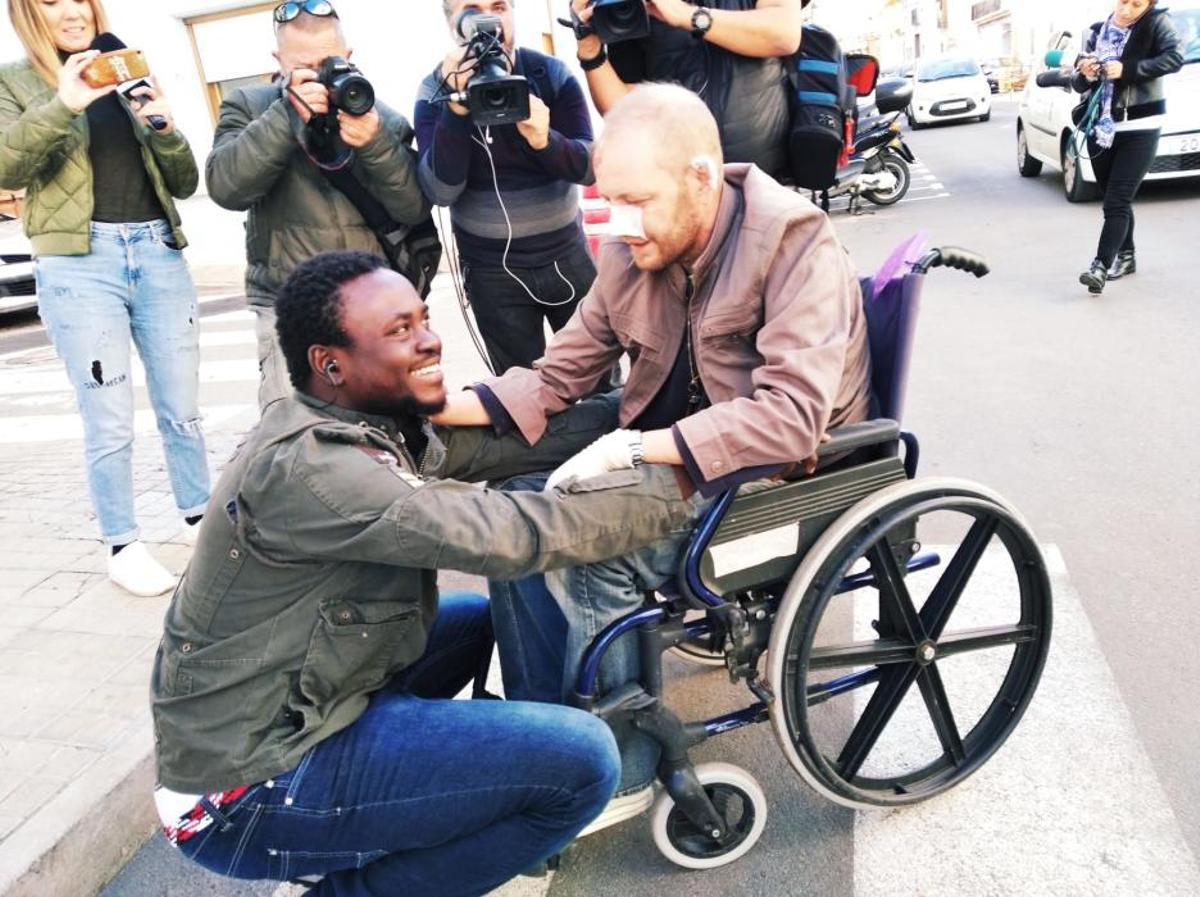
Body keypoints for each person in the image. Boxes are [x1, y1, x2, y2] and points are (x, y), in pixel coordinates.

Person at [151, 250, 701, 896]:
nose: (430, 340)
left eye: (423, 319)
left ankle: (443, 794)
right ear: (331, 364)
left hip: (299, 704)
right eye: (399, 331)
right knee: (586, 762)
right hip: (245, 791)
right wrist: (686, 478)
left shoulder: (357, 420)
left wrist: (646, 421)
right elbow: (511, 533)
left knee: (482, 620)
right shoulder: (318, 470)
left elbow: (504, 443)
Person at [433, 83, 872, 829]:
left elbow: (791, 420)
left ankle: (623, 770)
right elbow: (558, 374)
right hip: (673, 444)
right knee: (513, 511)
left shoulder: (793, 240)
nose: (622, 223)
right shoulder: (633, 245)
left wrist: (637, 446)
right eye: (611, 201)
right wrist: (430, 404)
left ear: (701, 177)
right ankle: (545, 734)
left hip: (773, 476)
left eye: (637, 200)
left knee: (587, 543)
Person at [0, 0, 211, 596]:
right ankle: (123, 545)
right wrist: (64, 103)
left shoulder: (125, 69)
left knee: (183, 408)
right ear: (27, 13)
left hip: (158, 249)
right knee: (109, 416)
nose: (72, 12)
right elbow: (6, 167)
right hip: (80, 261)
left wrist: (163, 127)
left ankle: (200, 518)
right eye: (52, 1)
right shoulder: (14, 81)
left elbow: (184, 182)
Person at [205, 1, 429, 408]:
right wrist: (285, 116)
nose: (317, 76)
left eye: (326, 63)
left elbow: (413, 208)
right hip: (286, 302)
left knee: (391, 421)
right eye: (302, 67)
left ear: (347, 56)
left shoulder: (380, 116)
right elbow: (226, 187)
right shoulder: (250, 106)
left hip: (371, 303)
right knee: (295, 427)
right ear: (278, 61)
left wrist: (375, 144)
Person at [415, 0, 598, 375]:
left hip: (567, 255)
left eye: (498, 6)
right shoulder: (435, 88)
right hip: (492, 270)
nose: (488, 21)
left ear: (513, 13)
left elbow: (591, 168)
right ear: (451, 24)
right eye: (471, 10)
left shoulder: (550, 73)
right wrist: (456, 109)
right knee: (518, 389)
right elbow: (440, 192)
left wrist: (545, 141)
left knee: (596, 376)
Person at [566, 0, 805, 179]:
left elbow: (783, 33)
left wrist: (688, 16)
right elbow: (622, 108)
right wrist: (590, 51)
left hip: (765, 179)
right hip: (679, 184)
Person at [1073, 0, 1182, 294]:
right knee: (1114, 197)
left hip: (1141, 125)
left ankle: (1100, 266)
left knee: (1117, 200)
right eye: (1123, 1)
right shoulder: (1096, 31)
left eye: (1136, 4)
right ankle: (1127, 255)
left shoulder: (1156, 23)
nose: (1126, 10)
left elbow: (1174, 58)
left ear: (1149, 5)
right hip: (1101, 127)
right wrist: (1086, 72)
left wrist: (1127, 69)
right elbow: (1078, 83)